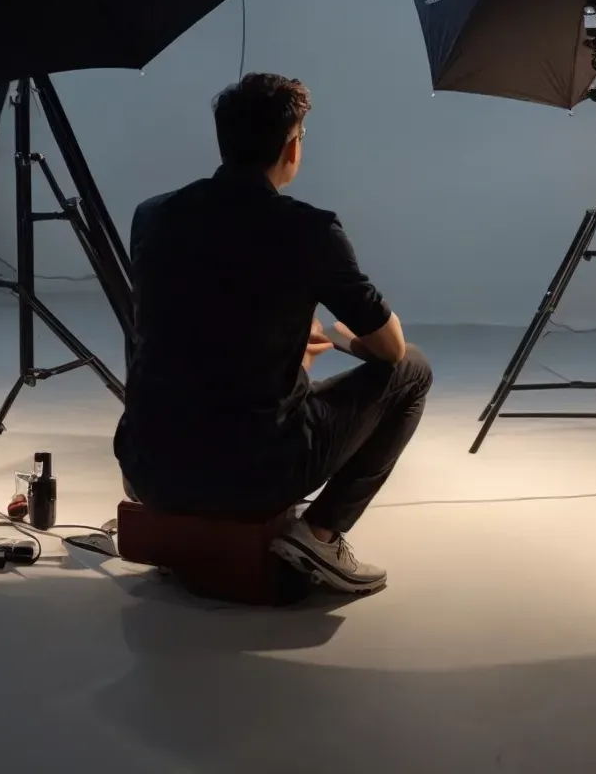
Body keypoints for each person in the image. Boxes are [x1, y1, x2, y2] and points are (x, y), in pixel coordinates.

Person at [116, 73, 430, 594]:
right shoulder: (309, 229)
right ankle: (321, 535)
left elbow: (188, 331)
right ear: (290, 146)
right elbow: (390, 347)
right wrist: (347, 339)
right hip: (253, 476)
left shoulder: (152, 216)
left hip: (147, 465)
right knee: (412, 370)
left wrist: (291, 352)